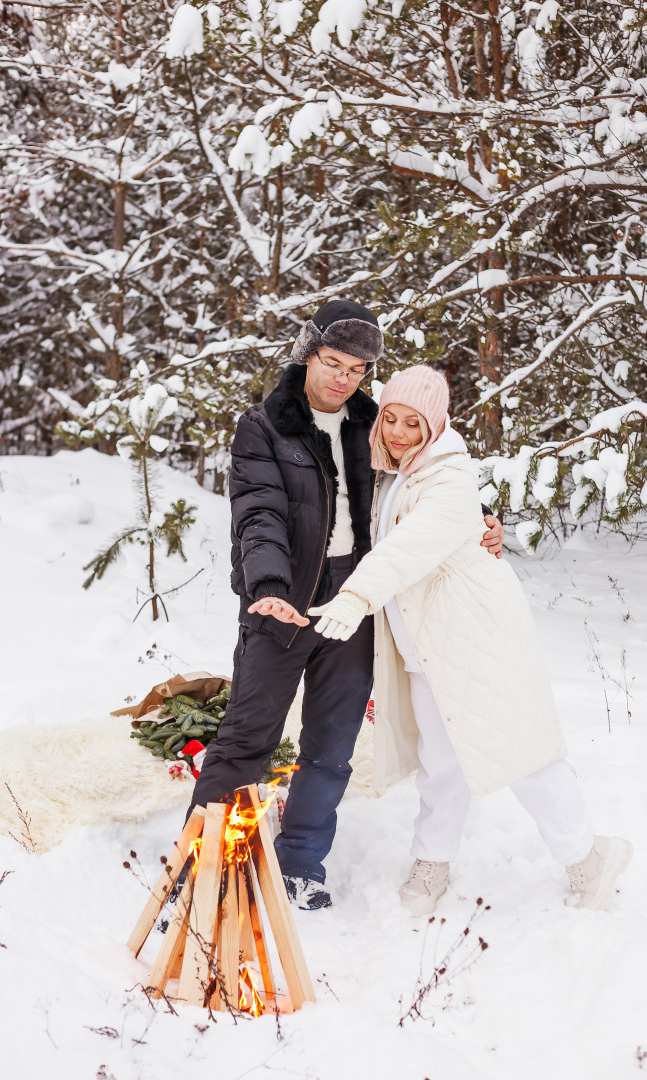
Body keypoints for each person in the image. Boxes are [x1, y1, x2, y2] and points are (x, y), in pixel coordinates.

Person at [186, 302, 505, 910]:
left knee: (331, 748)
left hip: (354, 602)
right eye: (332, 363)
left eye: (357, 369)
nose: (342, 378)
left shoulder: (373, 423)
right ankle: (199, 866)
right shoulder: (265, 425)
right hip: (280, 595)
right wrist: (270, 587)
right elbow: (258, 512)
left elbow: (431, 469)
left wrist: (480, 520)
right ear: (308, 355)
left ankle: (301, 861)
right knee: (246, 738)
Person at [309, 365, 633, 916]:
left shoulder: (449, 476)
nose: (399, 432)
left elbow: (409, 547)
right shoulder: (394, 470)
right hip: (423, 646)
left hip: (474, 636)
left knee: (519, 752)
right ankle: (433, 859)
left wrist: (356, 597)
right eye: (391, 418)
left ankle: (588, 858)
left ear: (436, 425)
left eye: (414, 423)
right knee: (441, 760)